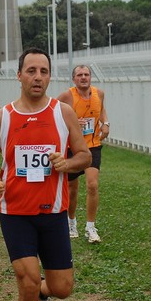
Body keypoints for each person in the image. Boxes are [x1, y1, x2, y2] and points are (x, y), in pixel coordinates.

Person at [0, 48, 91, 301]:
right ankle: (33, 294)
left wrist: (67, 163)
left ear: (50, 76)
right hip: (15, 212)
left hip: (52, 213)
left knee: (62, 288)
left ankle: (43, 292)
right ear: (19, 76)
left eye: (43, 71)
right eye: (31, 71)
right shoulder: (2, 117)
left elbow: (85, 156)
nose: (37, 77)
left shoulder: (62, 113)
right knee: (26, 281)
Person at [56, 65, 110, 243]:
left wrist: (105, 123)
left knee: (92, 185)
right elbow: (53, 113)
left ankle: (90, 227)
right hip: (73, 148)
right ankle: (71, 223)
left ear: (91, 77)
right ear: (74, 79)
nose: (83, 77)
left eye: (86, 74)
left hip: (93, 145)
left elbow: (100, 109)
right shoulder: (67, 96)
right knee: (72, 190)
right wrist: (69, 125)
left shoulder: (99, 94)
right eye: (79, 75)